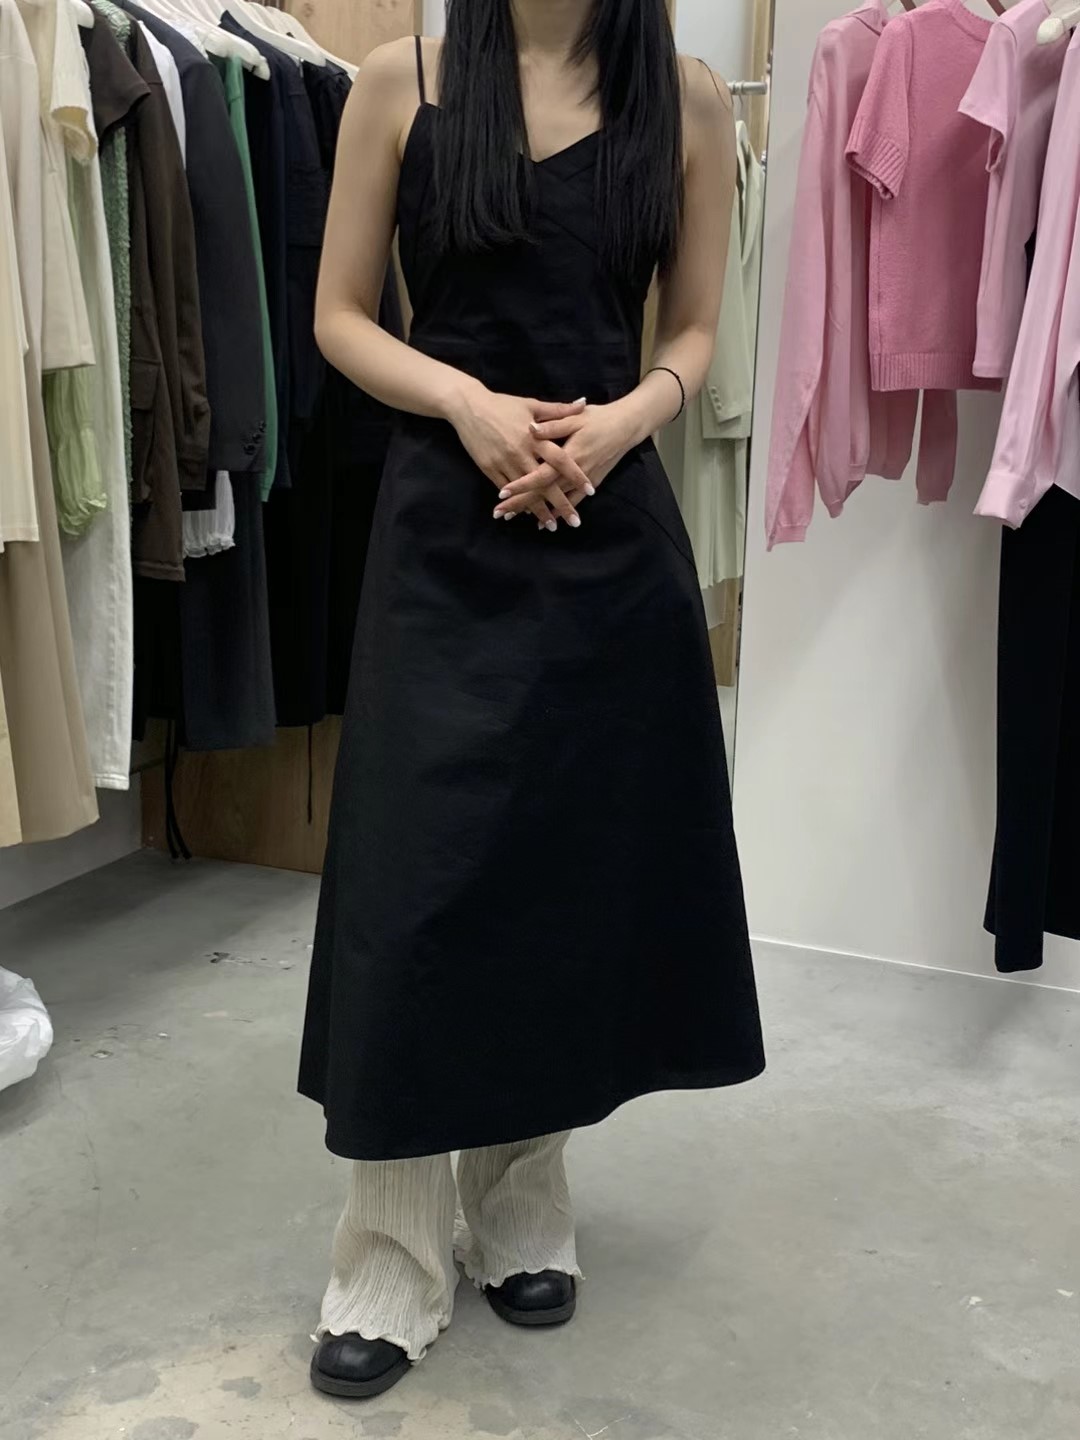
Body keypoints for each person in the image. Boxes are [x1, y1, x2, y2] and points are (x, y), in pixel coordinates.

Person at [299, 0, 766, 1400]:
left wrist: (626, 418)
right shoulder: (400, 84)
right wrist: (467, 402)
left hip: (608, 538)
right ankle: (390, 1244)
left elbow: (693, 326)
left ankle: (520, 1200)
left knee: (559, 884)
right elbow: (337, 316)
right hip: (442, 530)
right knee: (415, 884)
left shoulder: (687, 99)